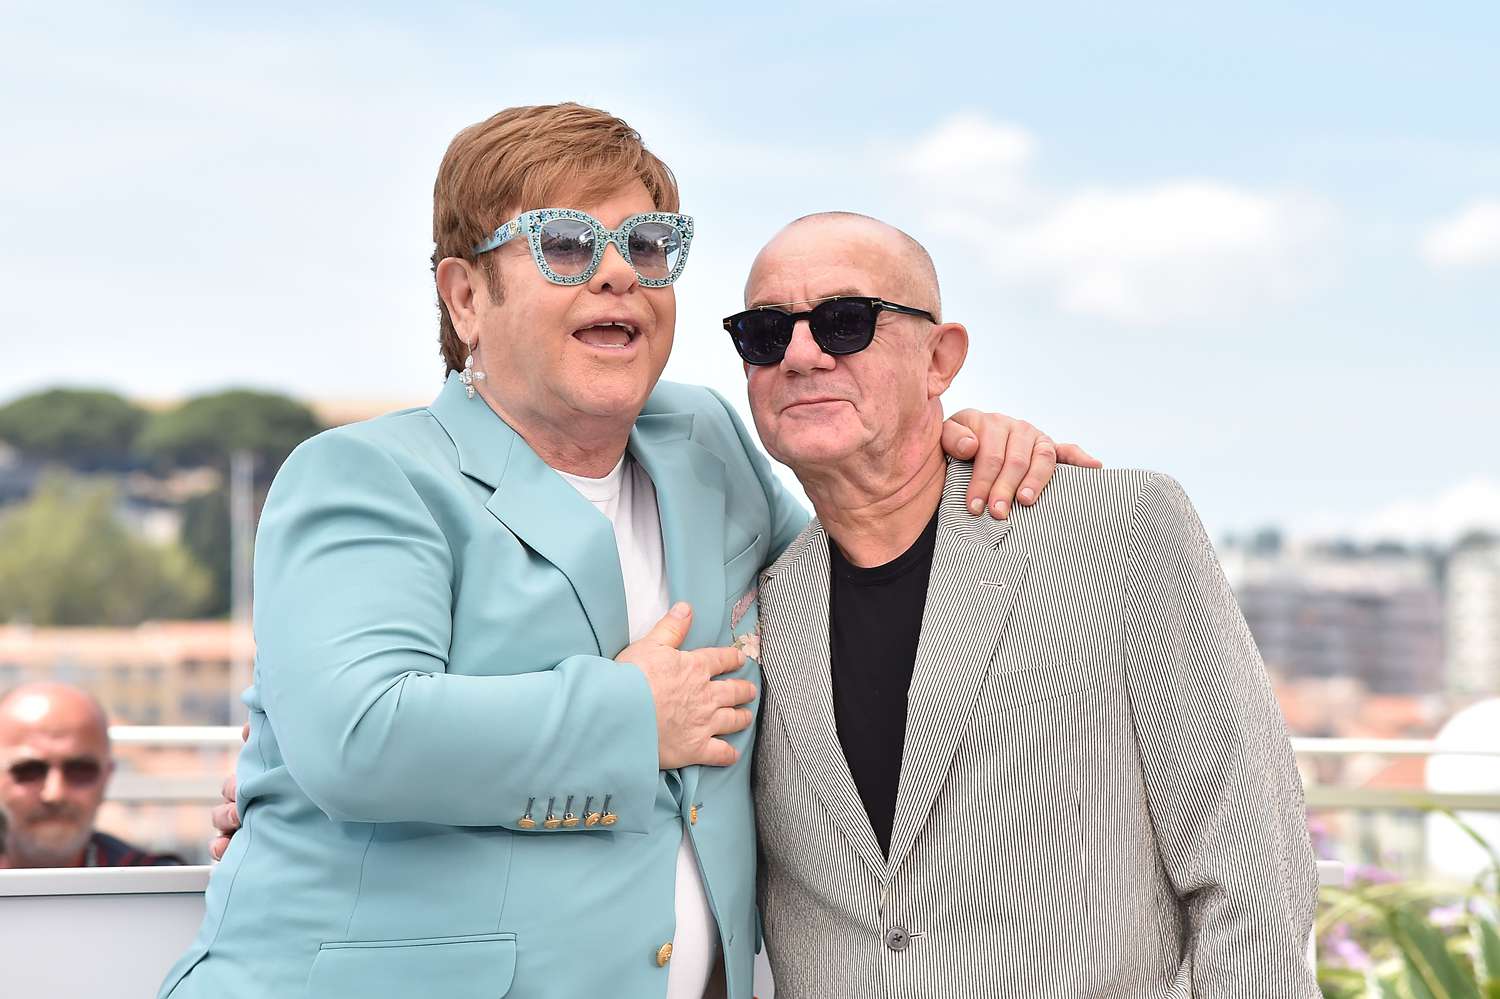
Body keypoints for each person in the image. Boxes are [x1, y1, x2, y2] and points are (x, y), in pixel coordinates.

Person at [167, 103, 1090, 999]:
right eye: (564, 243)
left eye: (647, 245)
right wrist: (632, 716)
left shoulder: (704, 441)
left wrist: (953, 440)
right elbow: (357, 739)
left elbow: (852, 586)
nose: (619, 274)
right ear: (464, 297)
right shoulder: (363, 475)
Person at [738, 213, 1319, 997]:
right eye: (766, 332)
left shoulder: (1119, 526)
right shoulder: (761, 597)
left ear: (941, 357)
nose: (801, 355)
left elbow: (1255, 866)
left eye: (845, 321)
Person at [0, 682, 182, 868]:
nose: (55, 794)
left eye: (80, 770)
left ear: (106, 778)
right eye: (29, 770)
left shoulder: (154, 885)